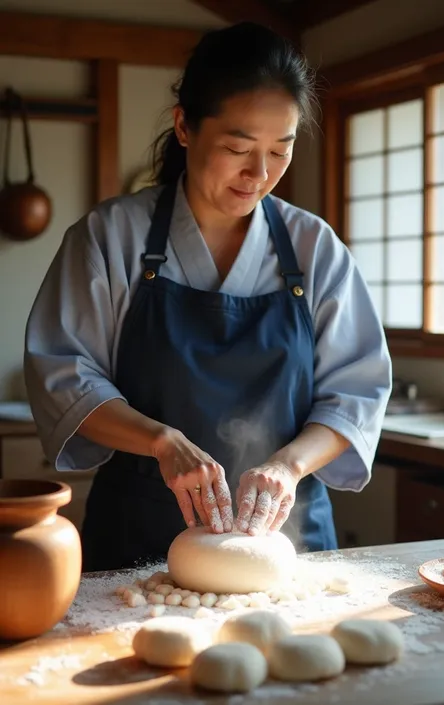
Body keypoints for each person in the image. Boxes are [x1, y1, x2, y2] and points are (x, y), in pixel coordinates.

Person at [24, 22, 391, 572]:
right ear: (185, 127)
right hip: (138, 536)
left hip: (286, 541)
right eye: (238, 148)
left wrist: (290, 465)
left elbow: (357, 392)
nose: (260, 174)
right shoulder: (111, 237)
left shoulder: (315, 249)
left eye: (280, 150)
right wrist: (160, 441)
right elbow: (65, 378)